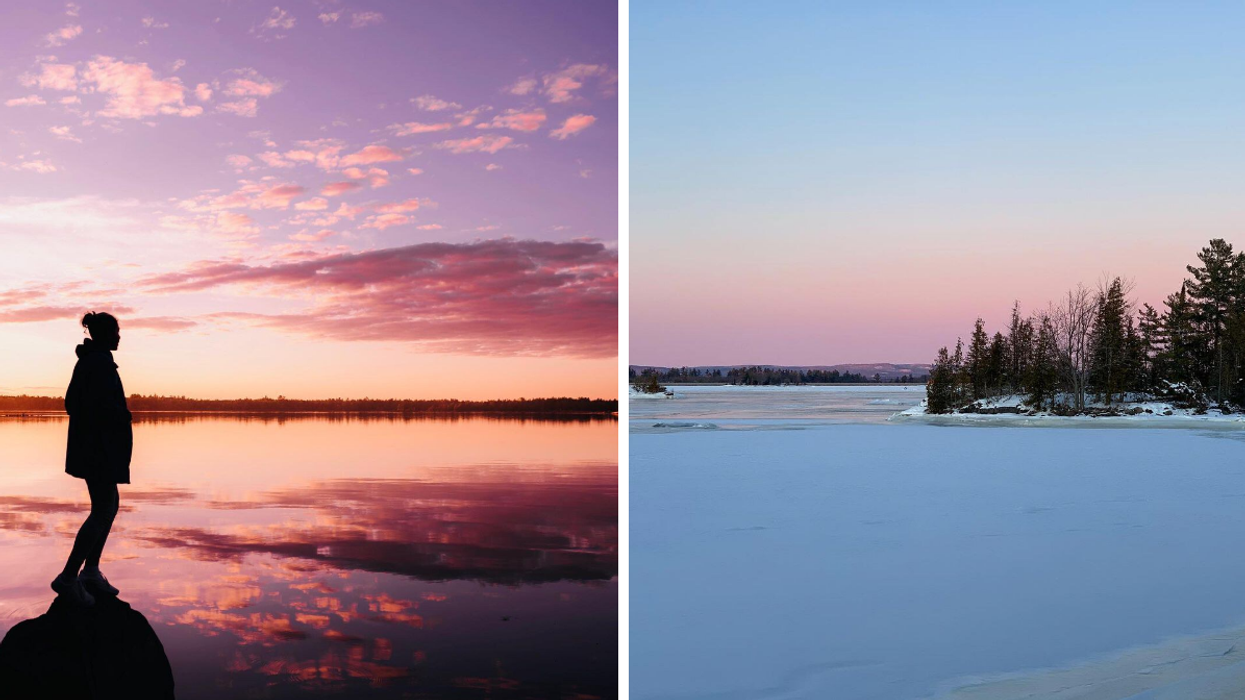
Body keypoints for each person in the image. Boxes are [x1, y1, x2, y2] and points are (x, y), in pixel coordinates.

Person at [51, 312, 132, 606]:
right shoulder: (96, 363)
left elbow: (76, 403)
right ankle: (69, 577)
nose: (119, 336)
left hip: (99, 448)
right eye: (116, 331)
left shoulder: (95, 360)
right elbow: (79, 404)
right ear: (104, 334)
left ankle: (91, 570)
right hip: (99, 450)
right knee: (103, 510)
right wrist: (112, 421)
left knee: (110, 506)